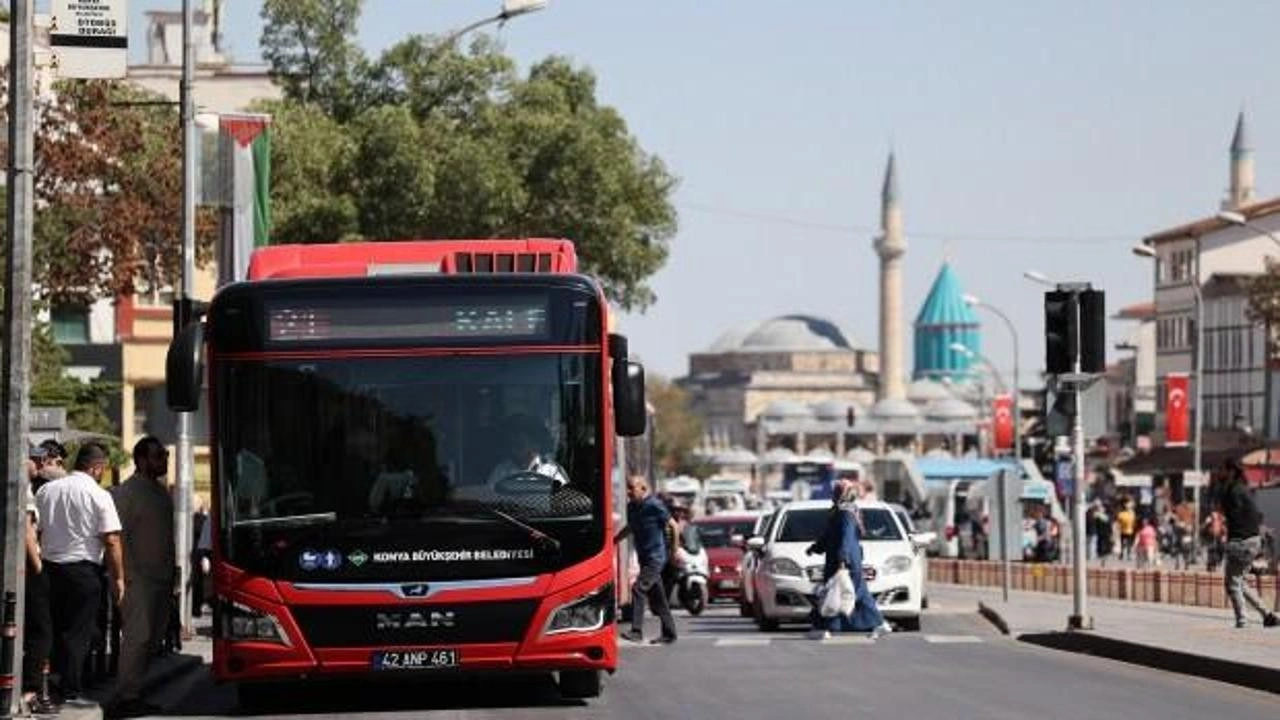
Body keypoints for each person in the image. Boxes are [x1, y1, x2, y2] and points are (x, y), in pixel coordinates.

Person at [36, 442, 124, 706]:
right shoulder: (99, 495)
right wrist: (118, 578)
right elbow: (112, 539)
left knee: (52, 629)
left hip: (48, 569)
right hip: (83, 571)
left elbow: (36, 529)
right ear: (96, 468)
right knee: (78, 632)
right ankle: (70, 688)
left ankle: (47, 682)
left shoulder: (46, 490)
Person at [106, 437, 175, 717]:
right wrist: (124, 577)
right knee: (138, 637)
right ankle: (126, 697)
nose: (164, 460)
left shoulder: (161, 493)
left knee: (153, 639)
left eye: (165, 454)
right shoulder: (127, 493)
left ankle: (134, 692)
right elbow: (115, 537)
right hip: (137, 580)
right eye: (159, 455)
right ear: (142, 460)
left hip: (161, 580)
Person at [806, 479, 890, 639]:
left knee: (832, 593)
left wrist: (842, 560)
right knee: (855, 595)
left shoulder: (845, 513)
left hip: (843, 561)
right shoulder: (842, 511)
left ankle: (822, 628)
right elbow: (829, 536)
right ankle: (879, 624)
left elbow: (846, 537)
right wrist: (815, 548)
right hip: (846, 560)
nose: (833, 495)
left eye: (837, 492)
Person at [1213, 460, 1279, 629]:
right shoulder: (1242, 488)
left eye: (1221, 469)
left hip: (1240, 541)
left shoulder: (1232, 491)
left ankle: (1242, 621)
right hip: (1252, 540)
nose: (1218, 472)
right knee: (1239, 581)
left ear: (1231, 471)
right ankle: (1267, 615)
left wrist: (1229, 540)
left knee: (1232, 584)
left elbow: (1234, 516)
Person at [614, 477, 678, 645]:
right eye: (627, 488)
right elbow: (631, 527)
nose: (629, 492)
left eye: (632, 488)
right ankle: (669, 633)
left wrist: (674, 551)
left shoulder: (654, 505)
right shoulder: (632, 507)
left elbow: (674, 526)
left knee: (638, 589)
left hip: (655, 558)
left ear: (643, 488)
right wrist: (615, 540)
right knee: (658, 598)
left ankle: (636, 631)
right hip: (644, 557)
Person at [22, 447, 57, 716]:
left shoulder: (29, 489)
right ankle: (31, 692)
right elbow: (27, 533)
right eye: (38, 460)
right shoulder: (23, 491)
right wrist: (39, 567)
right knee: (41, 632)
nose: (42, 465)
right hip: (30, 570)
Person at [484, 415, 568, 491]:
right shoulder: (501, 471)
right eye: (512, 444)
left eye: (520, 445)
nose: (514, 450)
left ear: (536, 444)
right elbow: (489, 496)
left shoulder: (552, 470)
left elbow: (565, 497)